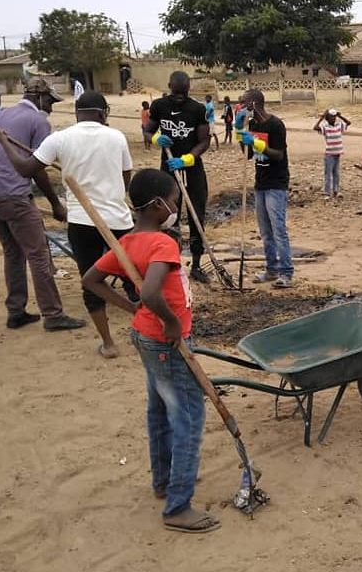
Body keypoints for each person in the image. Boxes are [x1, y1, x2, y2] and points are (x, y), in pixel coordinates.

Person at [82, 169, 219, 534]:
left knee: (159, 411)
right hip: (167, 343)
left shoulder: (128, 242)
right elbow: (150, 292)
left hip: (145, 337)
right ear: (159, 205)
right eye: (174, 200)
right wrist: (170, 322)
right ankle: (178, 507)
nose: (176, 206)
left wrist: (135, 312)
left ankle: (164, 482)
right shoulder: (163, 244)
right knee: (189, 419)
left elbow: (90, 281)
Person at [0, 91, 135, 358]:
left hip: (82, 222)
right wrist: (112, 193)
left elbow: (26, 168)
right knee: (134, 276)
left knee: (92, 281)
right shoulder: (117, 137)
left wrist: (3, 141)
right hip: (117, 219)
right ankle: (145, 328)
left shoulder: (59, 138)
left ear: (77, 114)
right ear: (103, 113)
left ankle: (109, 344)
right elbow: (126, 177)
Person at [0, 79, 86, 332]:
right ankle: (53, 315)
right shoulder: (39, 121)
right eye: (49, 101)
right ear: (38, 97)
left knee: (12, 252)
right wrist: (55, 204)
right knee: (38, 254)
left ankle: (16, 312)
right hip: (12, 197)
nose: (50, 107)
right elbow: (37, 169)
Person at [145, 71, 212, 283]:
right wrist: (156, 138)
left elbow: (204, 140)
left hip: (191, 169)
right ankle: (169, 265)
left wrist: (188, 158)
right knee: (168, 217)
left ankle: (197, 264)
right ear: (169, 87)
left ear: (188, 89)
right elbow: (147, 131)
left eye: (183, 93)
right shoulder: (158, 106)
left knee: (196, 215)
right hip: (168, 171)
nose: (179, 97)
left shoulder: (197, 109)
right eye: (176, 93)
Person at [239, 89, 293, 289]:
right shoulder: (252, 124)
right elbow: (248, 155)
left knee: (278, 229)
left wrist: (256, 143)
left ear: (254, 103)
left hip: (276, 183)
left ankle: (286, 272)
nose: (242, 107)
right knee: (265, 231)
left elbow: (278, 154)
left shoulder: (276, 125)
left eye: (244, 103)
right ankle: (271, 269)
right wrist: (241, 136)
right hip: (260, 182)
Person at [313, 108, 351, 199]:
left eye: (334, 117)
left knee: (336, 173)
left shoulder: (339, 126)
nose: (334, 119)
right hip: (329, 154)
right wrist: (321, 117)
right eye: (331, 117)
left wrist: (340, 115)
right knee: (328, 173)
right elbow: (315, 127)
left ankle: (336, 190)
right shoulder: (325, 127)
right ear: (327, 118)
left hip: (337, 153)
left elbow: (348, 122)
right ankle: (327, 192)